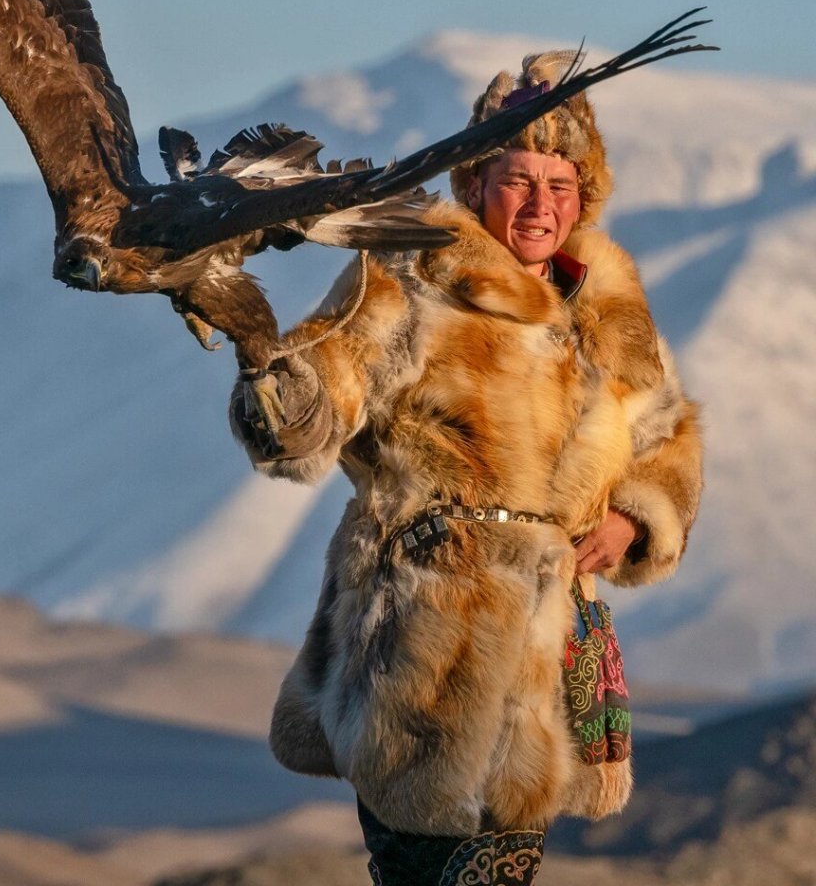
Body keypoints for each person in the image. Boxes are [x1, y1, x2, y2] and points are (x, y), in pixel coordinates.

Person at [230, 50, 702, 886]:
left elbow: (669, 438)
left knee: (505, 872)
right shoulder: (412, 272)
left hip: (551, 642)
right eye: (518, 179)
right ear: (478, 182)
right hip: (426, 625)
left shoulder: (610, 305)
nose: (539, 204)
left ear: (584, 197)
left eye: (560, 186)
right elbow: (325, 387)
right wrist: (277, 388)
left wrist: (634, 516)